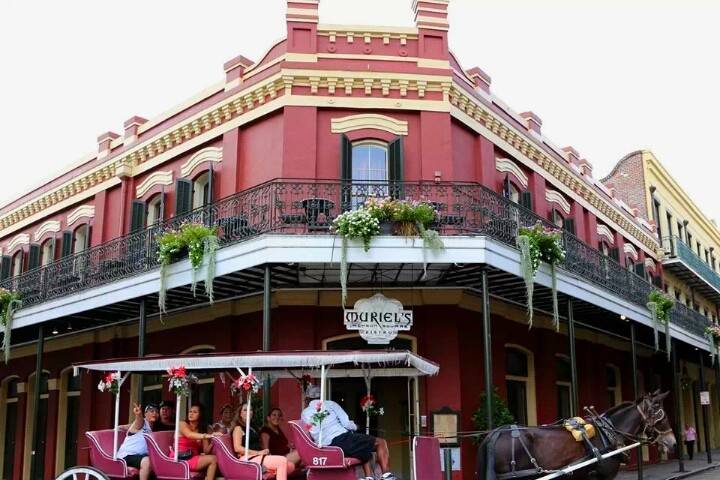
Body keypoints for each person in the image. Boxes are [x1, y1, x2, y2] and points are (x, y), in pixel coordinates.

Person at [301, 385, 395, 480]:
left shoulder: (305, 413)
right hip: (341, 440)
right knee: (380, 442)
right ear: (321, 396)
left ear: (308, 398)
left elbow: (311, 430)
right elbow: (346, 423)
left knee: (361, 444)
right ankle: (387, 476)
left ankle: (369, 477)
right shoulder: (330, 404)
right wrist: (355, 426)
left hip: (325, 446)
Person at [232, 402, 295, 480]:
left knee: (291, 466)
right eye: (245, 410)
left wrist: (264, 451)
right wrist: (258, 452)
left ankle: (271, 473)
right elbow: (237, 448)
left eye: (250, 410)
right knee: (282, 461)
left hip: (258, 456)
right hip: (247, 458)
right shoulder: (238, 428)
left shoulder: (252, 427)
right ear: (240, 414)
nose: (249, 412)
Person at [176, 403, 222, 480]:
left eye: (195, 412)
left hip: (193, 456)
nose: (191, 414)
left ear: (200, 415)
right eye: (190, 411)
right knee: (213, 459)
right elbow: (189, 435)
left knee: (215, 458)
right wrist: (207, 435)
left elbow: (206, 451)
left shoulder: (202, 429)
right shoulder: (182, 424)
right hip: (181, 456)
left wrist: (213, 439)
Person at [116, 403, 158, 480]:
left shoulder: (151, 428)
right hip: (127, 455)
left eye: (156, 412)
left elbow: (127, 426)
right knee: (147, 461)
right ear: (145, 414)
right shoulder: (142, 423)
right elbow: (138, 422)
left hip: (138, 457)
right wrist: (138, 414)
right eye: (151, 411)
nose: (154, 413)